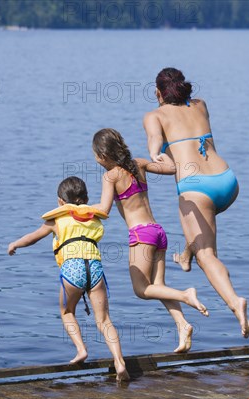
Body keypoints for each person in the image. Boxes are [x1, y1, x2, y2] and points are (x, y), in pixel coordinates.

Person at [142, 67, 249, 338]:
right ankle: (185, 256)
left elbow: (155, 147)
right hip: (227, 182)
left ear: (158, 92)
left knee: (207, 254)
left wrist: (152, 157)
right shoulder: (201, 105)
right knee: (198, 231)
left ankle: (234, 301)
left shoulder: (154, 116)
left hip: (196, 189)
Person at [91, 128, 208, 353]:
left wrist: (75, 209)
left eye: (95, 155)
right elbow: (172, 167)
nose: (96, 160)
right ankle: (182, 325)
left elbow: (104, 210)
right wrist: (160, 154)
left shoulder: (110, 176)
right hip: (158, 232)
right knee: (158, 287)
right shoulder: (139, 164)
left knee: (141, 289)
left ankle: (186, 294)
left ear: (103, 156)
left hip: (141, 235)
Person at [7, 176, 129, 381]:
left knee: (67, 312)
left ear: (61, 202)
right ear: (86, 199)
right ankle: (119, 361)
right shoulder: (93, 218)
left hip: (73, 269)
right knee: (104, 319)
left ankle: (81, 349)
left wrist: (15, 244)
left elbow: (33, 237)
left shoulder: (56, 219)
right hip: (95, 268)